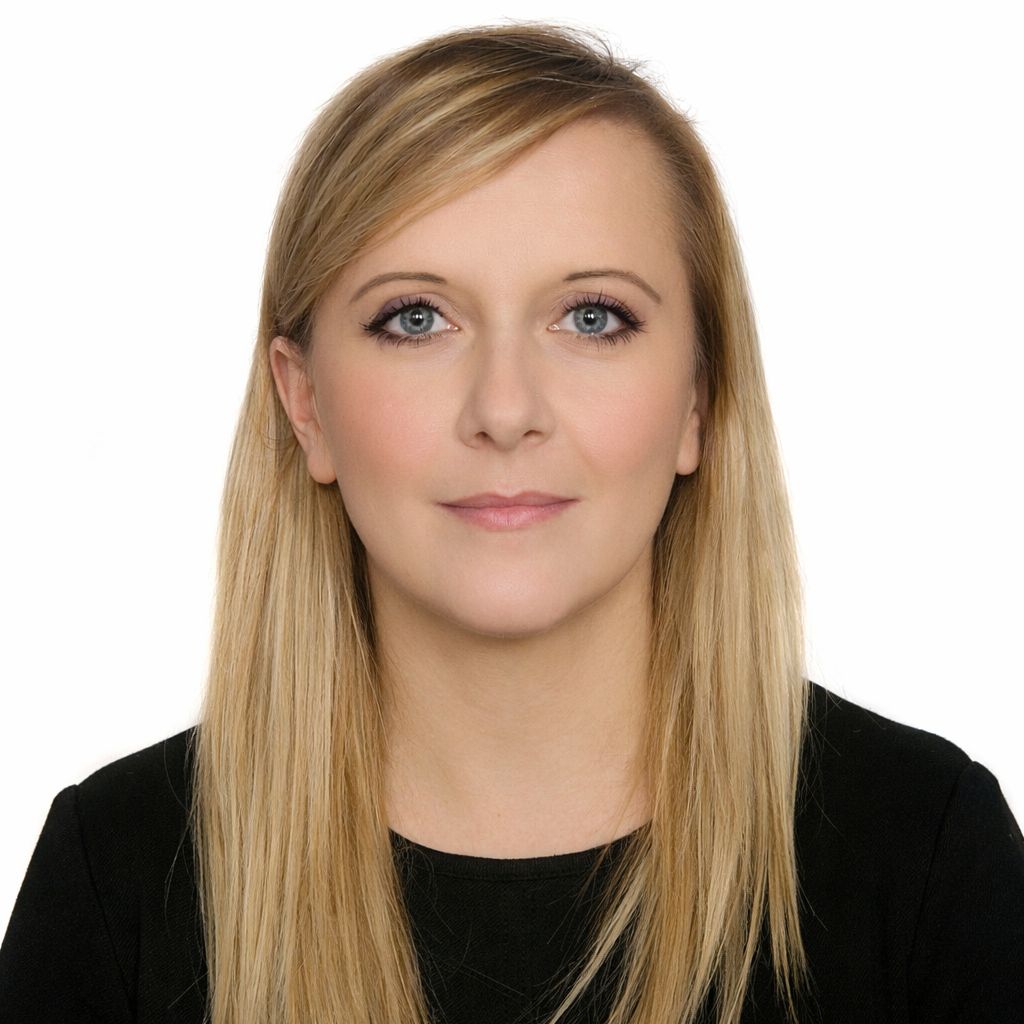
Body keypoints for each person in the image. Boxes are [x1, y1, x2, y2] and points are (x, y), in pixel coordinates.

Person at [1, 20, 1022, 1024]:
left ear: (699, 400)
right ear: (304, 403)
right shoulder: (117, 878)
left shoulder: (924, 853)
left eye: (592, 317)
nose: (503, 409)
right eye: (416, 318)